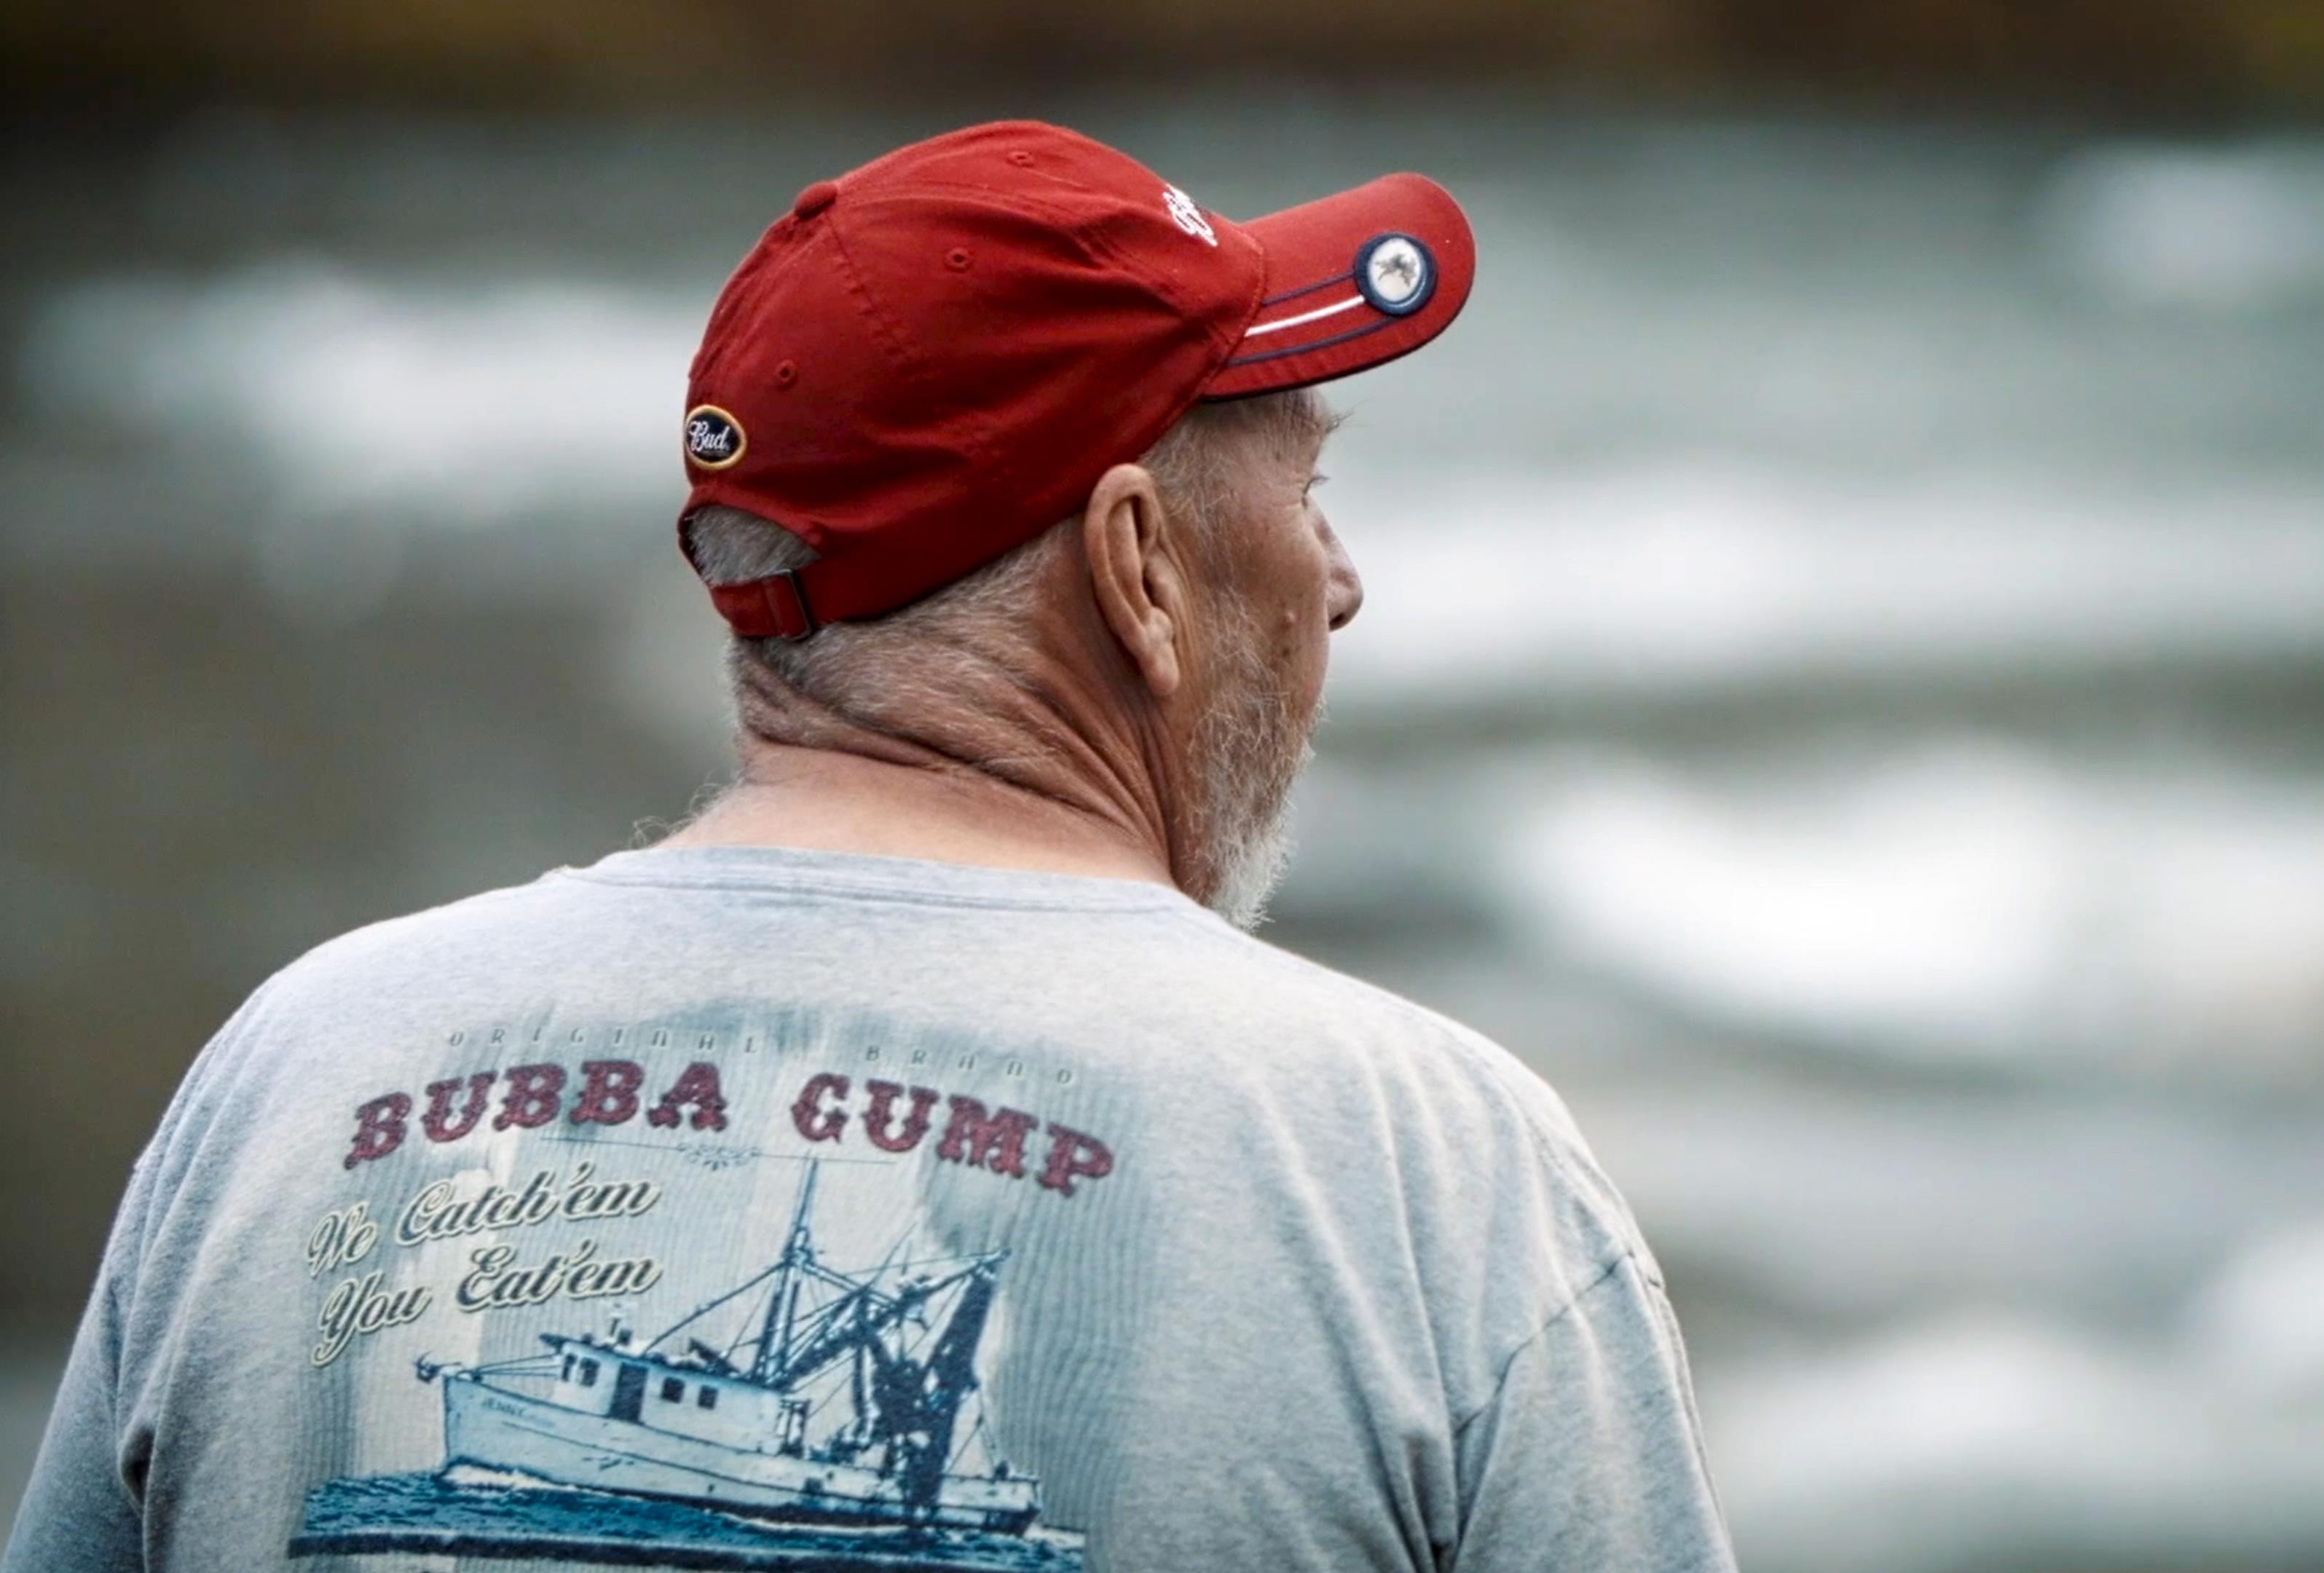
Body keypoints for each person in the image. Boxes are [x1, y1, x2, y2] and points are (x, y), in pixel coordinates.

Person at [5, 120, 1734, 1573]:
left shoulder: (291, 1081)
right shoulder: (1425, 1173)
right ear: (1138, 567)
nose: (1338, 585)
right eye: (1309, 498)